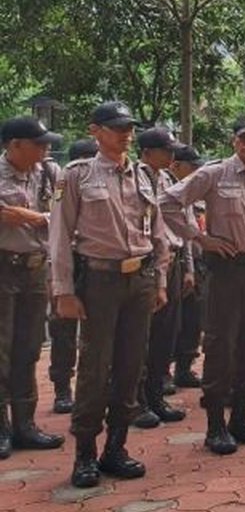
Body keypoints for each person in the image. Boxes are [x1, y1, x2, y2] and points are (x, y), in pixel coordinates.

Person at [49, 101, 171, 488]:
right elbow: (59, 238)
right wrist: (64, 291)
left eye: (129, 127)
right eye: (117, 127)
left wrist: (161, 281)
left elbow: (158, 235)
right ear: (95, 131)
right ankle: (85, 452)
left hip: (140, 281)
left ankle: (116, 447)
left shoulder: (146, 177)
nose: (125, 133)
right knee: (94, 367)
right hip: (98, 281)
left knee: (131, 365)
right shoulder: (76, 176)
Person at [161, 115, 245, 453]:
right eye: (243, 139)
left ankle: (241, 420)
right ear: (235, 142)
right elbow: (168, 203)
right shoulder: (214, 174)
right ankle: (216, 426)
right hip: (227, 273)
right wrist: (200, 238)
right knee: (220, 347)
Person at [0, 115, 66, 460]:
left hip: (36, 270)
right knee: (2, 350)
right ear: (15, 145)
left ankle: (25, 425)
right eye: (39, 143)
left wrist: (23, 215)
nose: (46, 148)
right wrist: (38, 217)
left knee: (28, 348)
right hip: (4, 268)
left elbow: (65, 212)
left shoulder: (49, 173)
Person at [132, 127, 188, 430]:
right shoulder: (133, 178)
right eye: (166, 150)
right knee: (141, 337)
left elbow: (181, 225)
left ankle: (155, 397)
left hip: (174, 262)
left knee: (166, 335)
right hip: (149, 265)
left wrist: (189, 266)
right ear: (148, 152)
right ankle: (135, 401)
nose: (172, 155)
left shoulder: (168, 179)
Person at [47, 138, 98, 415]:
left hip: (93, 265)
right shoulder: (65, 181)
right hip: (66, 263)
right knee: (63, 330)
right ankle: (62, 388)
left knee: (98, 333)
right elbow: (57, 233)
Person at [167, 144, 206, 393]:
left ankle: (184, 366)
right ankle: (160, 373)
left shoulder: (190, 191)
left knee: (193, 319)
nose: (195, 172)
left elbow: (190, 235)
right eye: (191, 168)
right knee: (169, 322)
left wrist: (191, 268)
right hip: (169, 262)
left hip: (190, 260)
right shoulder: (167, 192)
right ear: (176, 166)